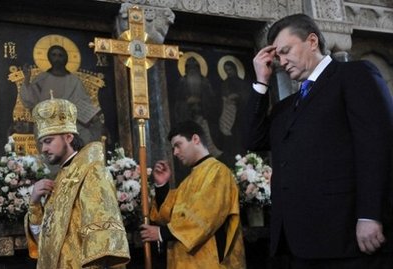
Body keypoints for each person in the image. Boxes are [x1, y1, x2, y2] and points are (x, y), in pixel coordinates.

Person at [245, 13, 393, 269]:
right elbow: (254, 140)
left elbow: (378, 146)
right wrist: (261, 82)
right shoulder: (286, 107)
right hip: (297, 242)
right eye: (277, 56)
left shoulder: (354, 75)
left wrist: (371, 214)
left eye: (286, 50)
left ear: (312, 41)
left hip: (346, 236)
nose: (281, 61)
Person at [24, 96, 130, 268]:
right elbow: (44, 241)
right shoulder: (60, 179)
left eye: (48, 141)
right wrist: (34, 203)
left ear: (68, 137)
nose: (43, 149)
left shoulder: (92, 171)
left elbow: (103, 243)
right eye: (42, 143)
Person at [140, 120, 246, 269]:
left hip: (210, 262)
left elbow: (205, 216)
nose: (175, 152)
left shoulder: (218, 172)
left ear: (195, 139)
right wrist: (162, 185)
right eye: (173, 148)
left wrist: (162, 234)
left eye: (178, 145)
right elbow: (168, 215)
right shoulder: (188, 181)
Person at [20, 45, 103, 145]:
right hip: (48, 124)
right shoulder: (41, 80)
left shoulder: (74, 81)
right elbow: (30, 101)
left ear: (66, 58)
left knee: (88, 134)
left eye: (60, 55)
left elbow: (84, 103)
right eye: (54, 55)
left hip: (73, 123)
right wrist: (26, 79)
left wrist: (91, 115)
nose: (57, 58)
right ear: (49, 58)